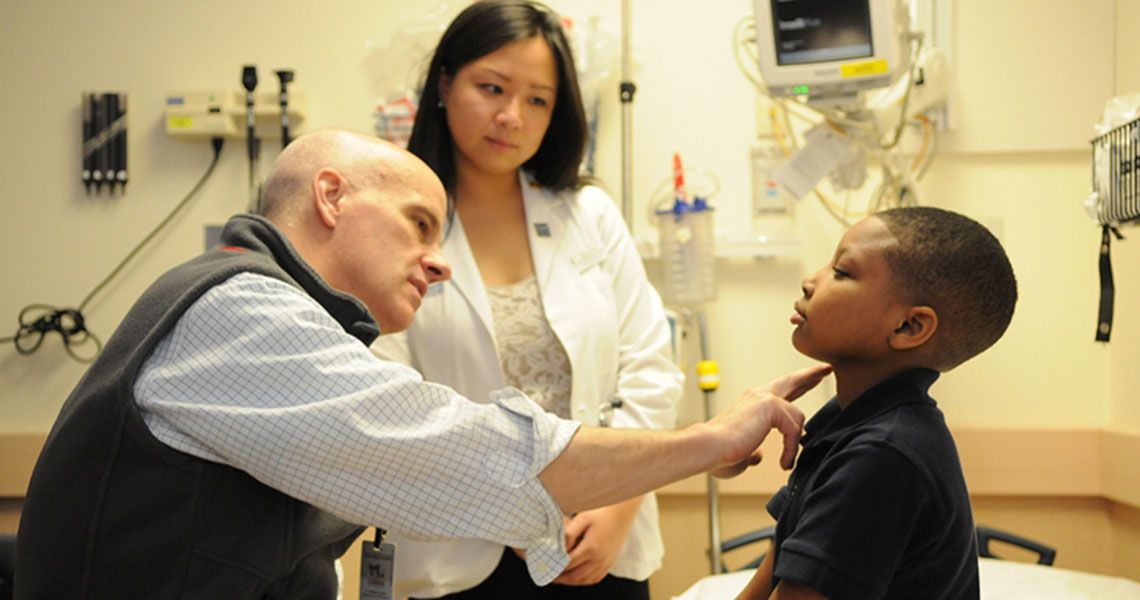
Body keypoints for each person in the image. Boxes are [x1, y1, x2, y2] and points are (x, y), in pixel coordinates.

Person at [14, 129, 830, 600]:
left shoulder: (275, 313)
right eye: (416, 224)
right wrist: (716, 439)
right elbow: (474, 455)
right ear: (331, 199)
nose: (438, 263)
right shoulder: (238, 312)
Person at [370, 2, 681, 598]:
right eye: (492, 88)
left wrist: (616, 505)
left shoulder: (587, 213)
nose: (511, 116)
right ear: (443, 83)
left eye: (537, 99)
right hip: (459, 557)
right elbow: (392, 394)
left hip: (597, 545)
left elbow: (651, 368)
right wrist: (511, 506)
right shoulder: (391, 223)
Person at [737, 207, 1018, 600]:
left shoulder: (883, 455)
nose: (810, 281)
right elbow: (778, 565)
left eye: (842, 272)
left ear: (908, 327)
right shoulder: (848, 424)